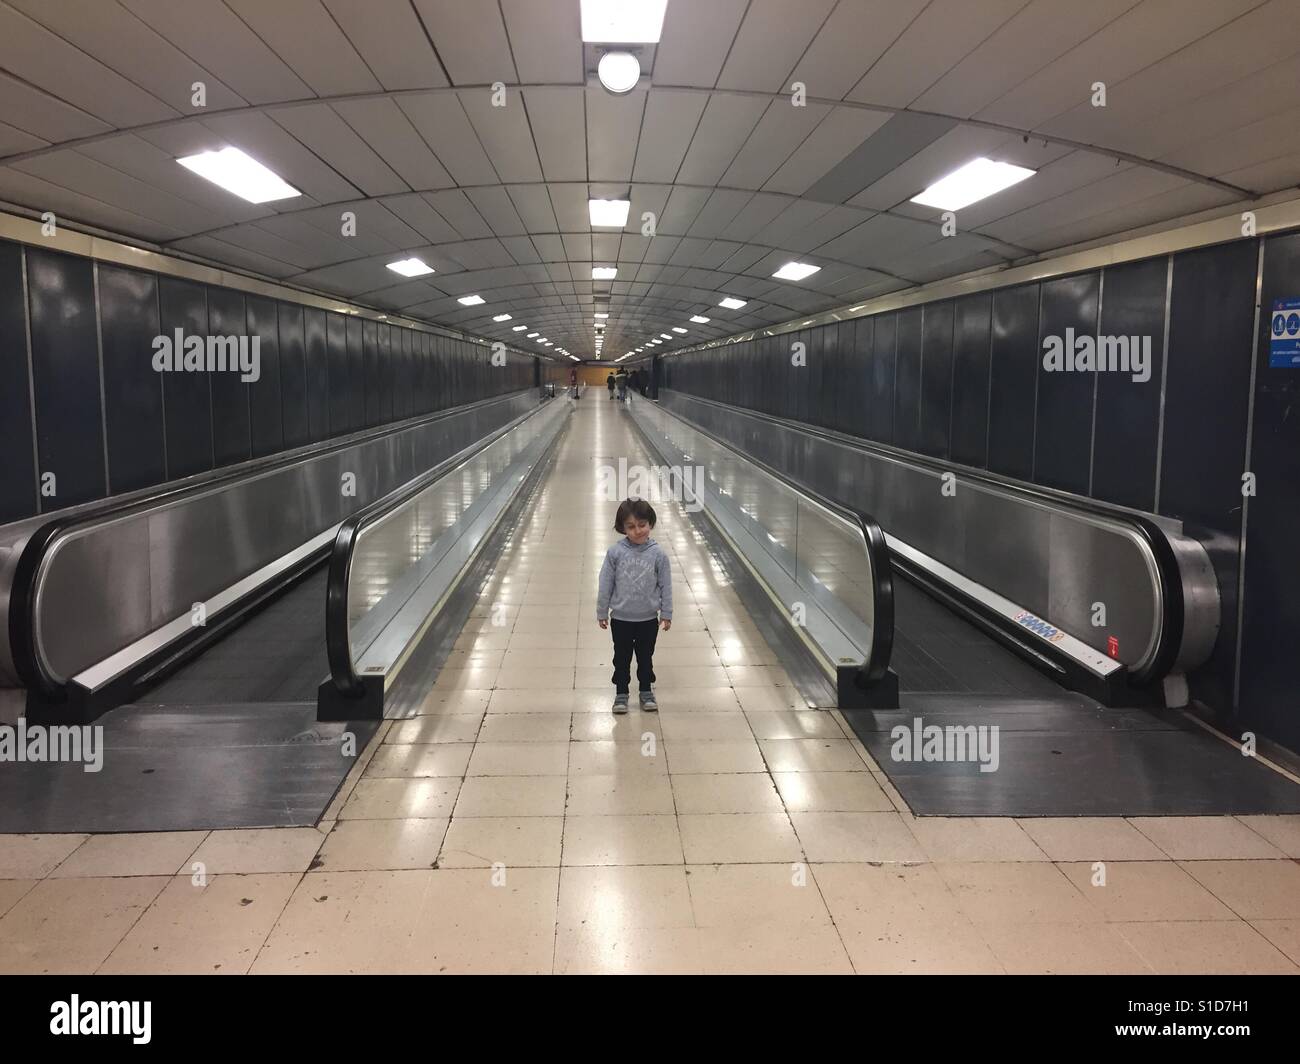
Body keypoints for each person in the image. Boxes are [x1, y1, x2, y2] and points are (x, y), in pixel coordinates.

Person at [596, 498, 672, 713]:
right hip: (621, 619)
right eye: (631, 526)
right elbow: (605, 583)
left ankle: (646, 690)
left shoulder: (658, 554)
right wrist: (602, 611)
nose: (638, 531)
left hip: (648, 619)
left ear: (650, 524)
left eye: (642, 525)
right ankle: (621, 693)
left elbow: (666, 585)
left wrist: (666, 612)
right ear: (622, 528)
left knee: (645, 657)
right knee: (621, 657)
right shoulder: (615, 553)